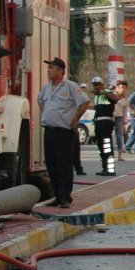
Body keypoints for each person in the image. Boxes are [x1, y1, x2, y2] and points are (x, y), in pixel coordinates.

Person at [37, 57, 89, 209]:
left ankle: (66, 197)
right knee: (51, 164)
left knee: (64, 165)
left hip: (64, 132)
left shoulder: (70, 86)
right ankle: (58, 196)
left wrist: (75, 119)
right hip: (50, 131)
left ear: (60, 71)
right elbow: (40, 100)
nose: (49, 70)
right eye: (48, 68)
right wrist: (45, 114)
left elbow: (85, 102)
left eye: (52, 68)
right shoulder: (47, 88)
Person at [89, 77, 118, 176]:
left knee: (106, 146)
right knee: (100, 146)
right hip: (98, 123)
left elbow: (115, 99)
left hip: (106, 122)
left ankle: (110, 169)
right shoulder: (96, 96)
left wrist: (104, 92)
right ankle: (104, 168)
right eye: (94, 84)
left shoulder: (107, 92)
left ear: (102, 84)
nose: (95, 86)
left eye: (97, 84)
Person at [73, 82, 88, 175]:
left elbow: (86, 102)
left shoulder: (75, 91)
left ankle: (78, 168)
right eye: (81, 87)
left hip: (72, 125)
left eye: (84, 88)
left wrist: (76, 119)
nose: (83, 89)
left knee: (75, 148)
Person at [114, 80, 129, 161]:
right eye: (121, 88)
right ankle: (108, 154)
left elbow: (125, 112)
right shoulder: (111, 96)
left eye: (124, 88)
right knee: (110, 135)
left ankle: (119, 155)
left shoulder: (126, 100)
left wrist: (124, 123)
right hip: (110, 117)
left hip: (119, 118)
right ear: (117, 88)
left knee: (119, 136)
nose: (122, 89)